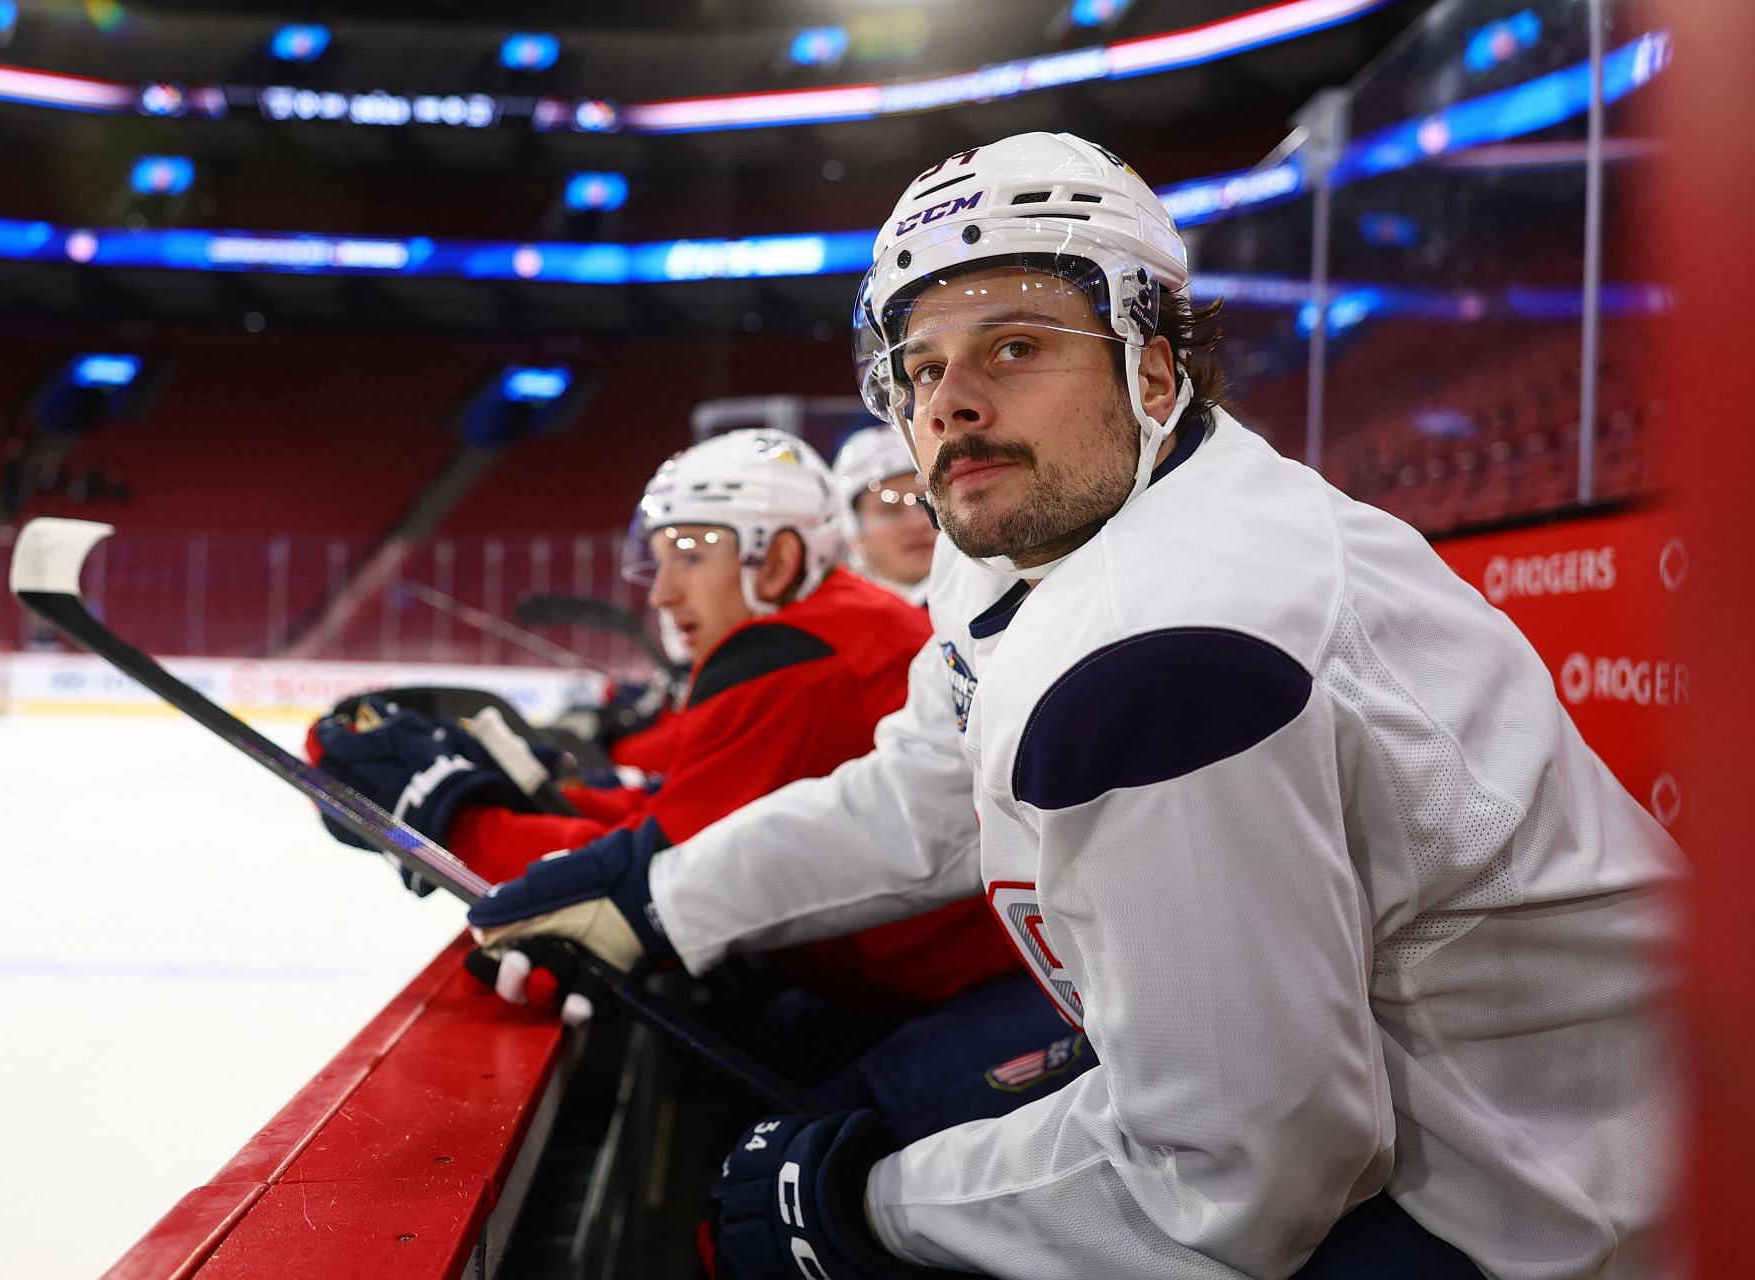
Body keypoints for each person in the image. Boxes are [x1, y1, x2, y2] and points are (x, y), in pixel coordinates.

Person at [467, 132, 1683, 1278]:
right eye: (921, 364)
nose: (948, 402)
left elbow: (1239, 1179)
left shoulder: (1169, 639)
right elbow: (935, 796)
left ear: (1154, 361)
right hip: (1439, 1122)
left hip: (1557, 1205)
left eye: (1013, 346)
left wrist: (865, 1202)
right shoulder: (1038, 534)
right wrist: (654, 894)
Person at [311, 428, 1019, 1024]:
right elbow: (686, 819)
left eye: (688, 554)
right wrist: (530, 792)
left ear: (775, 560)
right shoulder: (835, 621)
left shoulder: (795, 657)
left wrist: (453, 820)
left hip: (963, 1002)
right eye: (658, 559)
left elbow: (661, 868)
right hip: (947, 987)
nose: (659, 590)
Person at [832, 425, 937, 605]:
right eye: (891, 511)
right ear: (851, 529)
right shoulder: (837, 621)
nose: (918, 522)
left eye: (926, 501)